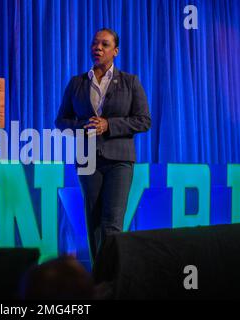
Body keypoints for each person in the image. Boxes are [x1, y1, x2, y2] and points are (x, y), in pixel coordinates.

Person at [55, 28, 151, 263]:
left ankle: (113, 280)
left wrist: (109, 125)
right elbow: (60, 121)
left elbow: (144, 121)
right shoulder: (77, 83)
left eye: (104, 44)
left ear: (115, 51)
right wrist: (82, 126)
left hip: (119, 161)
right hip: (88, 160)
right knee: (94, 222)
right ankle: (100, 279)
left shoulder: (130, 82)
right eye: (95, 43)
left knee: (112, 222)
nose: (97, 48)